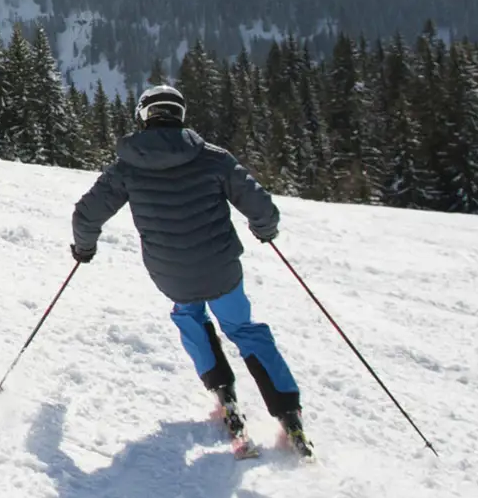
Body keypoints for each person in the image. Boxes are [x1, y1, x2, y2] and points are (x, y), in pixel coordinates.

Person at [71, 83, 305, 456]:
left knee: (189, 316)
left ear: (143, 116)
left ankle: (223, 393)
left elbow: (86, 216)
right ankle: (289, 414)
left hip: (170, 273)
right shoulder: (213, 158)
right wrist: (264, 229)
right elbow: (261, 206)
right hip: (221, 268)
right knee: (244, 329)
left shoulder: (126, 168)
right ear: (180, 115)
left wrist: (85, 249)